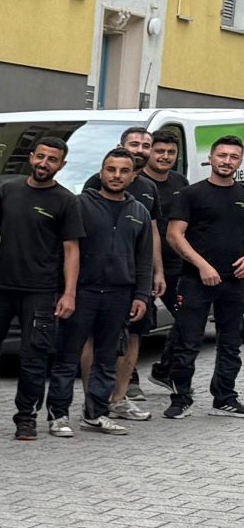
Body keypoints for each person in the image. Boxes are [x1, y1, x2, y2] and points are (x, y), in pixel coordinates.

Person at [0, 133, 83, 442]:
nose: (44, 163)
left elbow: (72, 250)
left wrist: (69, 293)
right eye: (41, 156)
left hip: (40, 291)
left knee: (33, 357)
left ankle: (26, 418)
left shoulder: (66, 201)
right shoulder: (9, 191)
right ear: (31, 157)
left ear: (61, 165)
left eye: (52, 159)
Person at [55, 149, 156, 438]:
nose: (116, 176)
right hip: (82, 292)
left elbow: (144, 258)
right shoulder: (80, 205)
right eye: (111, 170)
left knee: (106, 359)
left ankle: (96, 414)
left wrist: (141, 295)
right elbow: (63, 251)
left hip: (118, 295)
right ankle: (58, 415)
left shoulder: (139, 211)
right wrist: (65, 292)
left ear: (133, 176)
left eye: (124, 171)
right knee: (67, 357)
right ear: (101, 173)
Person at [162, 133, 244, 419]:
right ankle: (181, 398)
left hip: (235, 282)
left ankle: (224, 399)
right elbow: (174, 235)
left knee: (231, 344)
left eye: (234, 157)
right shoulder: (191, 194)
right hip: (195, 280)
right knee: (187, 342)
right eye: (222, 155)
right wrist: (203, 266)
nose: (227, 161)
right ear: (210, 158)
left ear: (240, 162)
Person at [142, 128, 190, 407]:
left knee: (186, 319)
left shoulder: (180, 182)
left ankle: (164, 370)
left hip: (176, 265)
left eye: (171, 152)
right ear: (149, 151)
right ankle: (127, 382)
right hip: (142, 266)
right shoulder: (138, 182)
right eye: (159, 151)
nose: (165, 156)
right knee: (137, 327)